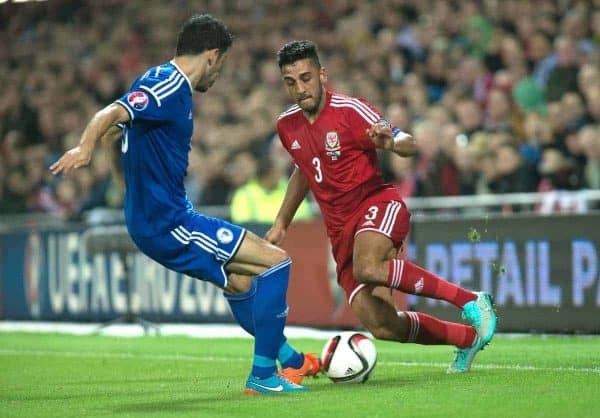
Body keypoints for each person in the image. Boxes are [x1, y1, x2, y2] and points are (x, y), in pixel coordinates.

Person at [49, 15, 319, 394]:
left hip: (154, 221)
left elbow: (116, 133)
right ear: (211, 56)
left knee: (241, 281)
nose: (218, 75)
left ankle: (291, 360)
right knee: (276, 261)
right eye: (221, 65)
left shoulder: (154, 78)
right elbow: (110, 115)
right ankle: (262, 376)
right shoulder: (170, 85)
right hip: (170, 222)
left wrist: (124, 184)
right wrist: (84, 146)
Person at [268, 40, 497, 373]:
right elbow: (304, 170)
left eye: (306, 78)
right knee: (384, 325)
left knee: (369, 266)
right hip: (339, 232)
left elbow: (407, 142)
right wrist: (281, 223)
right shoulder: (287, 125)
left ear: (322, 75)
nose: (300, 88)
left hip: (376, 204)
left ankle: (470, 300)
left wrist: (390, 141)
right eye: (291, 82)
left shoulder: (349, 111)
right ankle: (466, 339)